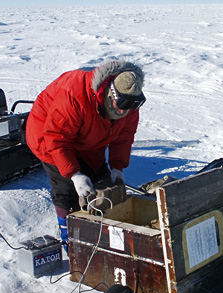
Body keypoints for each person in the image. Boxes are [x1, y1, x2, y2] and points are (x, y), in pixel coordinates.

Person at [26, 60, 146, 250]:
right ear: (110, 93)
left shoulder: (129, 107)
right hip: (49, 135)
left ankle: (103, 237)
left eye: (132, 104)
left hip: (90, 137)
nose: (125, 110)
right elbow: (57, 138)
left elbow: (124, 136)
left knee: (104, 184)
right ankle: (71, 242)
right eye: (121, 103)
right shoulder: (75, 94)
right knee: (67, 189)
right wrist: (74, 175)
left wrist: (117, 167)